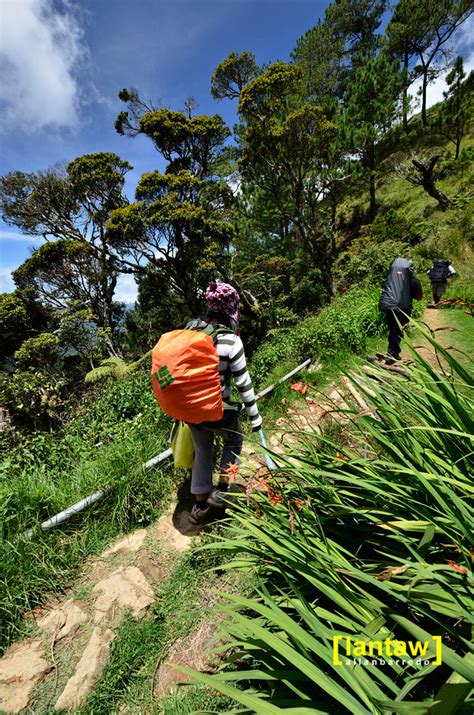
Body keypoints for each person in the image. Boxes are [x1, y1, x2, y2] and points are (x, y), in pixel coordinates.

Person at [186, 281, 262, 524]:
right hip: (217, 410)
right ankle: (221, 492)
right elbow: (244, 384)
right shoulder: (231, 340)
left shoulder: (190, 333)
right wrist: (255, 419)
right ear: (232, 309)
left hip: (190, 409)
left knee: (202, 450)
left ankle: (198, 507)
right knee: (234, 439)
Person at [379, 258, 423, 364]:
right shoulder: (413, 281)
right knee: (397, 331)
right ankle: (392, 354)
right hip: (402, 309)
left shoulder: (389, 279)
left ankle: (393, 352)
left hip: (388, 307)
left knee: (393, 330)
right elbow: (419, 297)